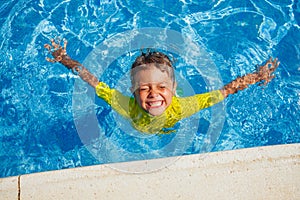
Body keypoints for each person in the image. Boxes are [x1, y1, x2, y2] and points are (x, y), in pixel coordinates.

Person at [44, 39, 279, 134]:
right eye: (144, 87)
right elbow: (93, 81)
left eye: (161, 87)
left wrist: (257, 76)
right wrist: (64, 59)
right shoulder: (124, 105)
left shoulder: (183, 107)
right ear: (132, 90)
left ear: (174, 88)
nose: (154, 94)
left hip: (169, 129)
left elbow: (223, 92)